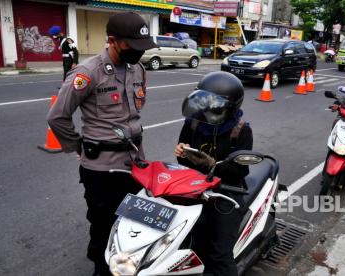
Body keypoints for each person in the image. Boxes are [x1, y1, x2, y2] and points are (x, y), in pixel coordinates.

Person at [47, 12, 156, 276]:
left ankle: (125, 270)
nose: (139, 52)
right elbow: (57, 116)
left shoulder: (137, 69)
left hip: (134, 163)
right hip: (101, 169)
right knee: (104, 225)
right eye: (133, 46)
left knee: (132, 224)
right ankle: (102, 270)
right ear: (112, 40)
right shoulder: (88, 72)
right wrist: (78, 146)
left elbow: (135, 112)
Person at [174, 71, 253, 276]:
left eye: (215, 104)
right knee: (185, 243)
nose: (208, 108)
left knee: (220, 254)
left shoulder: (241, 130)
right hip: (195, 187)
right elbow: (183, 159)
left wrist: (212, 165)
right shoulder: (193, 122)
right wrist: (182, 152)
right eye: (205, 101)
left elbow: (240, 170)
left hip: (226, 192)